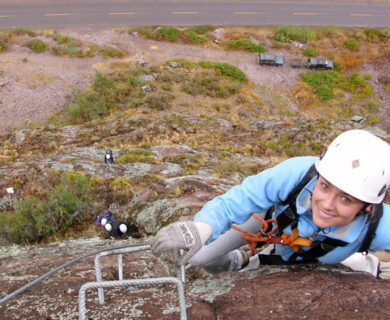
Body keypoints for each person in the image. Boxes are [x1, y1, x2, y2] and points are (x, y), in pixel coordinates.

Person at [152, 129, 390, 278]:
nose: (327, 204)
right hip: (271, 223)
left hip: (310, 257)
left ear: (367, 206)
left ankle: (364, 263)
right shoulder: (296, 174)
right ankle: (238, 261)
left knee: (351, 263)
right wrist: (202, 227)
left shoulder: (379, 227)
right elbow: (238, 200)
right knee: (199, 258)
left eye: (346, 198)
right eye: (325, 186)